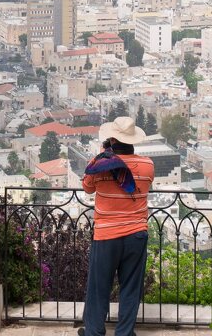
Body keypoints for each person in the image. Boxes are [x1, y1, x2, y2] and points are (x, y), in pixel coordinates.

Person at [79, 116, 154, 336]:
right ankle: (124, 332)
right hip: (136, 234)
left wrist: (102, 156)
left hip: (106, 235)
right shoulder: (148, 165)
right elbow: (146, 183)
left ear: (111, 140)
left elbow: (87, 188)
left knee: (98, 287)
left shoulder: (100, 166)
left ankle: (93, 332)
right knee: (131, 287)